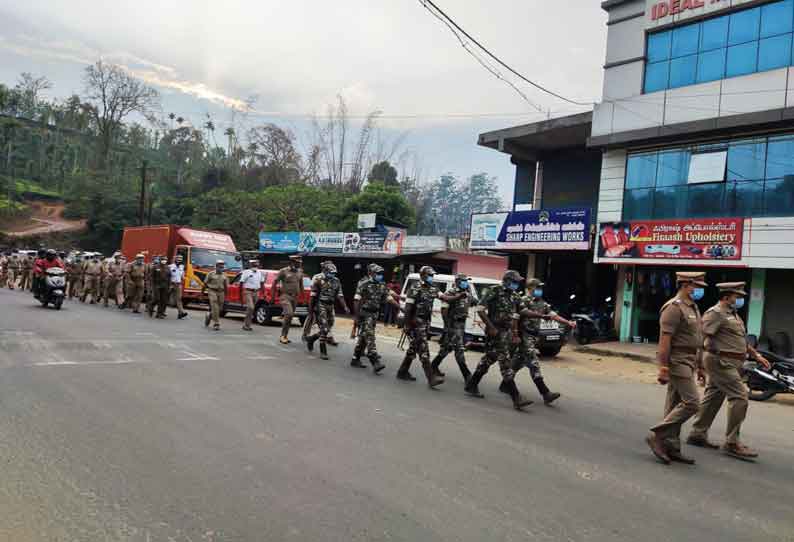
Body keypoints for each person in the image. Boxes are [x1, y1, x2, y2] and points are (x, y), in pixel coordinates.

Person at [686, 282, 771, 461]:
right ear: (726, 297)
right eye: (737, 296)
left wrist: (755, 355)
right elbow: (701, 338)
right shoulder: (715, 314)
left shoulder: (734, 315)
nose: (740, 299)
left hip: (731, 362)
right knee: (740, 397)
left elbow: (740, 340)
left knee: (714, 396)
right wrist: (699, 365)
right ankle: (732, 443)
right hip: (720, 361)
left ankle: (697, 434)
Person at [644, 272, 708, 465]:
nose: (700, 290)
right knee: (692, 403)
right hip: (677, 360)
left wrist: (700, 366)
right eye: (698, 286)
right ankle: (657, 435)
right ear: (686, 285)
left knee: (674, 404)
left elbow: (696, 341)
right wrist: (663, 366)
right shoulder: (673, 308)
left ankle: (671, 447)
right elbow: (665, 341)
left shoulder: (693, 308)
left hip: (689, 359)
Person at [464, 270, 533, 410]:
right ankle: (516, 397)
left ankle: (471, 384)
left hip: (505, 332)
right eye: (514, 282)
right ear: (507, 280)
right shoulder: (494, 291)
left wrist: (542, 316)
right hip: (495, 332)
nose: (516, 285)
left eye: (517, 282)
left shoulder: (514, 296)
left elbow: (522, 311)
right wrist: (490, 327)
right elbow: (480, 309)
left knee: (489, 358)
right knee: (505, 362)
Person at [398, 266, 465, 388]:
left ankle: (402, 371)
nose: (431, 277)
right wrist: (407, 325)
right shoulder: (415, 288)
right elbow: (408, 308)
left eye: (432, 275)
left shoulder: (433, 288)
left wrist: (459, 296)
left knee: (413, 348)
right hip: (415, 323)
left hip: (425, 322)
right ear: (422, 275)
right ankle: (431, 378)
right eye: (429, 275)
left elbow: (445, 298)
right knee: (424, 350)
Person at [514, 279, 575, 405]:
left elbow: (553, 315)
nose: (539, 290)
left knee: (518, 361)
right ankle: (545, 393)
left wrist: (567, 322)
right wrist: (540, 316)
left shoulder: (542, 303)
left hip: (534, 336)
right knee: (533, 363)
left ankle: (505, 382)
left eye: (540, 288)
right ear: (530, 289)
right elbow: (522, 313)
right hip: (525, 335)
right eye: (537, 288)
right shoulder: (524, 300)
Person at [351, 264, 400, 373]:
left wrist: (400, 307)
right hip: (365, 313)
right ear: (371, 273)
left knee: (364, 337)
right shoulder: (364, 284)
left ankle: (355, 359)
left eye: (381, 274)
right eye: (378, 274)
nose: (380, 275)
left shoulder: (381, 285)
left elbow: (389, 298)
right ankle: (374, 360)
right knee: (370, 336)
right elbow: (356, 301)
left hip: (374, 315)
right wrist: (356, 317)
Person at [431, 273, 476, 384]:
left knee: (446, 349)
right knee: (459, 350)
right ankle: (467, 376)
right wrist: (447, 326)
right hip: (453, 325)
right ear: (457, 282)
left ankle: (433, 366)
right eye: (463, 281)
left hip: (461, 325)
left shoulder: (467, 293)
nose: (465, 283)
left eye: (466, 281)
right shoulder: (451, 293)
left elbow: (474, 302)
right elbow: (444, 309)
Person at [305, 261, 350, 360]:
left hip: (330, 306)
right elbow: (313, 296)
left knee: (328, 326)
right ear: (325, 271)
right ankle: (323, 352)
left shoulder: (336, 281)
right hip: (320, 305)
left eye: (334, 273)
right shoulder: (318, 280)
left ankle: (312, 339)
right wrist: (311, 310)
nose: (332, 274)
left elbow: (340, 295)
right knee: (324, 328)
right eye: (330, 272)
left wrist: (345, 307)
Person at [274, 255, 304, 344]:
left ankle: (285, 336)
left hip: (295, 297)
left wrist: (303, 297)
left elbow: (301, 284)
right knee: (289, 314)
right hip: (285, 296)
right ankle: (283, 336)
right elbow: (275, 282)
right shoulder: (283, 271)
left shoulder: (300, 271)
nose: (300, 264)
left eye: (300, 263)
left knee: (290, 317)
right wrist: (273, 297)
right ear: (292, 262)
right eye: (298, 263)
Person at [202, 260, 229, 331]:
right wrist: (202, 292)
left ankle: (209, 315)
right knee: (215, 306)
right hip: (212, 291)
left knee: (219, 309)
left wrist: (226, 296)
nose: (221, 268)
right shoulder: (211, 274)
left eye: (222, 267)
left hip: (221, 292)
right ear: (216, 267)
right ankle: (216, 324)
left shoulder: (224, 275)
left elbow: (226, 286)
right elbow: (205, 284)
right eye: (220, 267)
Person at [240, 259, 265, 331]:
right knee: (251, 307)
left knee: (251, 308)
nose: (255, 266)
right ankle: (246, 325)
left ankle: (247, 324)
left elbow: (262, 283)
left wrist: (263, 293)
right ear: (250, 265)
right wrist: (241, 293)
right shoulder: (246, 272)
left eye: (256, 264)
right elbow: (241, 282)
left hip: (256, 292)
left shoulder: (260, 273)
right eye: (254, 264)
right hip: (248, 291)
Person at [169, 254, 188, 319]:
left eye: (181, 259)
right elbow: (167, 275)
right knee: (163, 297)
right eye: (178, 258)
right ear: (175, 259)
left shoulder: (182, 267)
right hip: (171, 284)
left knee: (179, 299)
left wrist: (184, 278)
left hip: (178, 284)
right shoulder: (170, 266)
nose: (179, 260)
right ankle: (157, 310)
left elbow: (182, 276)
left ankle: (181, 313)